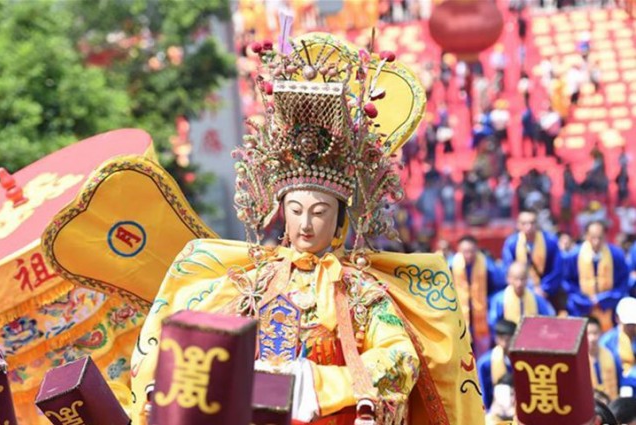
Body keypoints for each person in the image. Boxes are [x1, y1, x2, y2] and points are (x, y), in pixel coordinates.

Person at [123, 33, 484, 424]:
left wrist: (319, 384)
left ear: (339, 219)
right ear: (282, 213)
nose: (306, 223)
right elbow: (203, 338)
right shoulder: (253, 283)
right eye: (296, 210)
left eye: (319, 212)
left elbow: (398, 357)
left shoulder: (360, 292)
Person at [563, 221, 629, 330]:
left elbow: (623, 282)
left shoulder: (616, 255)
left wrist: (602, 298)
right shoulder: (574, 255)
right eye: (593, 237)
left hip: (608, 304)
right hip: (581, 304)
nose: (596, 242)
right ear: (586, 236)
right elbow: (567, 281)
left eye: (600, 237)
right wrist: (585, 299)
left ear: (605, 237)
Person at [450, 236, 506, 356]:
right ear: (459, 250)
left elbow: (498, 285)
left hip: (481, 312)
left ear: (477, 249)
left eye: (472, 251)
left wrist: (490, 301)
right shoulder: (450, 264)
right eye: (465, 251)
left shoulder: (486, 264)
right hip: (459, 312)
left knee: (482, 349)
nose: (469, 255)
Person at [501, 209, 563, 305]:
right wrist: (528, 288)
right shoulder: (511, 243)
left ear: (537, 224)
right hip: (520, 289)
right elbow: (508, 268)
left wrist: (544, 289)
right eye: (524, 223)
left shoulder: (550, 241)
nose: (528, 227)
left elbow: (556, 269)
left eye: (532, 223)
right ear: (518, 225)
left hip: (546, 293)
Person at [488, 262, 555, 331]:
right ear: (508, 279)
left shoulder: (536, 298)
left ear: (527, 279)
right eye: (516, 279)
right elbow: (493, 323)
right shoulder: (500, 300)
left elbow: (548, 318)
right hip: (508, 338)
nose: (519, 283)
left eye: (522, 279)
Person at [477, 320, 516, 410]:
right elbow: (484, 392)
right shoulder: (485, 363)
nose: (506, 343)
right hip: (495, 411)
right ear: (496, 338)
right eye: (502, 338)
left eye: (509, 339)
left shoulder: (521, 361)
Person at [601, 297, 636, 380]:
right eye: (628, 323)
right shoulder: (607, 341)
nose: (631, 327)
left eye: (633, 324)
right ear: (617, 318)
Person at [588, 316, 622, 400]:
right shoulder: (579, 361)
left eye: (595, 333)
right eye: (588, 334)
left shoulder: (610, 355)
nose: (592, 338)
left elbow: (619, 378)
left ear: (600, 333)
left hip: (611, 402)